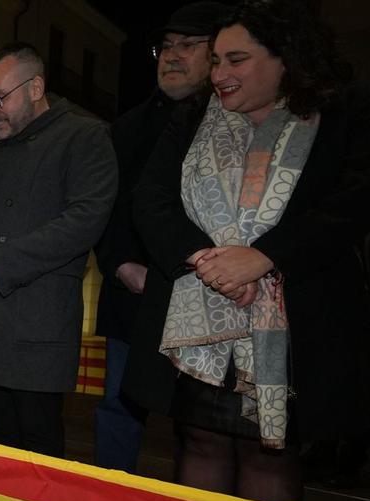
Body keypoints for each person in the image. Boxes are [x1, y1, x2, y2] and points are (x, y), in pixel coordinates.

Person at [123, 0, 370, 501]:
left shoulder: (350, 110)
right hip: (199, 311)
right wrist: (206, 260)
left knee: (271, 452)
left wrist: (264, 256)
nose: (219, 73)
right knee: (201, 438)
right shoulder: (193, 114)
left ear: (285, 56)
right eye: (217, 60)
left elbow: (358, 200)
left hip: (300, 319)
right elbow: (151, 198)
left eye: (235, 60)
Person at [0, 43, 117, 458]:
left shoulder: (84, 136)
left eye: (0, 98)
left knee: (38, 441)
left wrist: (2, 263)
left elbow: (85, 219)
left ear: (36, 86)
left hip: (37, 318)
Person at [92, 3, 227, 474]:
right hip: (132, 295)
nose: (171, 56)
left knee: (200, 422)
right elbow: (102, 208)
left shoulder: (230, 123)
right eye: (165, 47)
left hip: (205, 296)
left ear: (217, 53)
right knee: (119, 407)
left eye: (187, 46)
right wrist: (120, 264)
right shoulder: (127, 126)